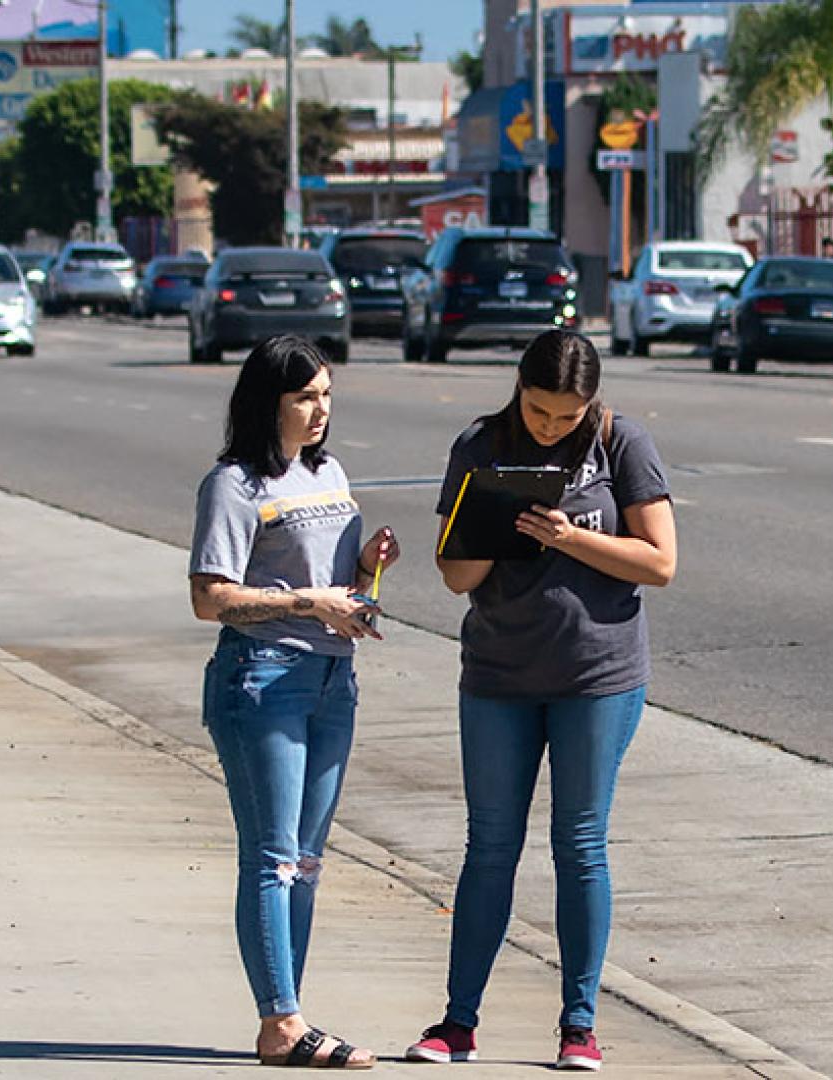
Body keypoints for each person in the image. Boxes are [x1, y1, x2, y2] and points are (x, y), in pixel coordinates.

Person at [406, 330, 677, 1071]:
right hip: (498, 673)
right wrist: (495, 521)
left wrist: (565, 537)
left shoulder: (622, 444)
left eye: (566, 416)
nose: (550, 426)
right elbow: (457, 578)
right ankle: (457, 1024)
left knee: (579, 844)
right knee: (490, 846)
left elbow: (660, 562)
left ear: (591, 404)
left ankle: (579, 1026)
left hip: (597, 673)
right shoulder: (481, 444)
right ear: (517, 390)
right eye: (537, 411)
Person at [190, 335, 400, 1070]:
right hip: (262, 677)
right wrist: (309, 601)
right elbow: (209, 598)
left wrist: (368, 569)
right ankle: (281, 1022)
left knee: (307, 861)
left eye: (327, 396)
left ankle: (289, 1015)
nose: (320, 411)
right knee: (273, 857)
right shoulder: (236, 485)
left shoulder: (329, 472)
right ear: (268, 402)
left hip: (331, 680)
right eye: (305, 397)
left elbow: (347, 593)